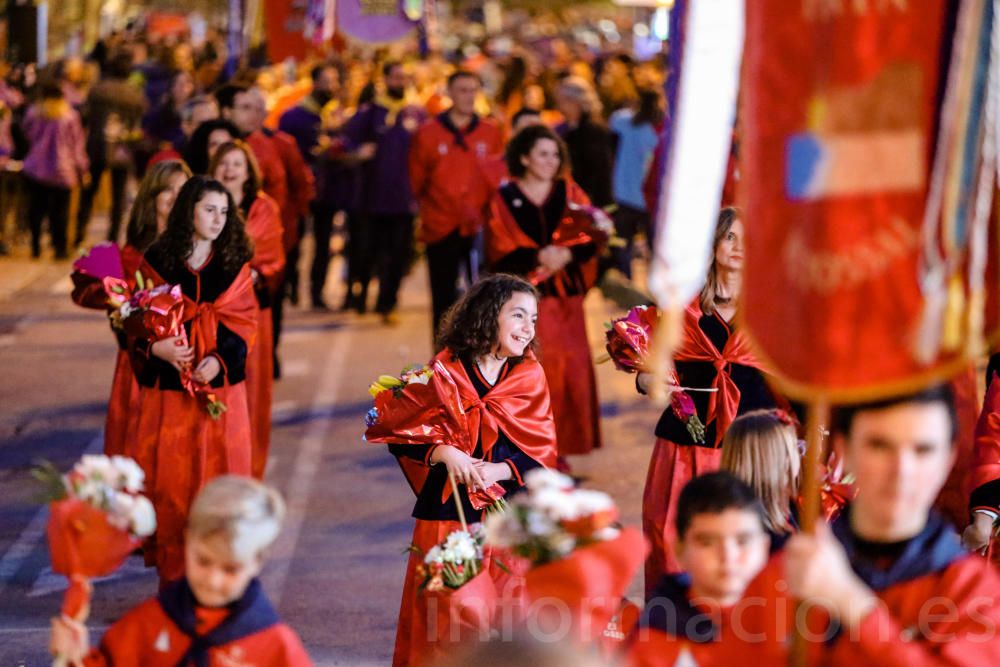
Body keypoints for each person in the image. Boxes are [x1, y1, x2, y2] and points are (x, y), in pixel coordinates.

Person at [731, 385, 1000, 664]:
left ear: (949, 458)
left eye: (923, 450)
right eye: (880, 445)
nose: (901, 471)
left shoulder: (974, 591)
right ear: (844, 448)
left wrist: (852, 604)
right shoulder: (786, 577)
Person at [376, 274, 557, 667]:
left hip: (507, 519)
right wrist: (444, 453)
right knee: (447, 617)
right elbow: (399, 432)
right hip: (448, 517)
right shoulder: (444, 371)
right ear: (490, 315)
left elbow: (542, 451)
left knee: (507, 615)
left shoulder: (530, 376)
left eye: (534, 320)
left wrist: (499, 472)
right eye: (519, 316)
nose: (528, 329)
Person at [637, 207, 779, 591]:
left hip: (749, 446)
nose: (738, 247)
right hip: (686, 445)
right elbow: (648, 365)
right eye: (730, 236)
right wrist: (649, 377)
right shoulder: (681, 306)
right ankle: (672, 629)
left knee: (746, 546)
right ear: (712, 243)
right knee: (670, 538)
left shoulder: (770, 308)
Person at [128, 176, 257, 583]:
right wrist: (157, 349)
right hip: (169, 396)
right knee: (172, 485)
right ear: (189, 210)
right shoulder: (157, 260)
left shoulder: (234, 263)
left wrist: (220, 361)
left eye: (224, 211)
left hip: (220, 395)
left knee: (221, 482)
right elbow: (132, 321)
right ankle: (174, 579)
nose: (218, 219)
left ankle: (220, 578)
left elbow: (244, 325)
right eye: (208, 210)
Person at [49, 475, 313, 666]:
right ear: (187, 543)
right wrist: (75, 657)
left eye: (230, 569)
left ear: (258, 562)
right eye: (203, 561)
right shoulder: (149, 623)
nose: (213, 580)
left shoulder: (275, 645)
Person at [485, 124, 603, 463]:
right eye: (542, 154)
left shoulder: (570, 193)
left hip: (566, 301)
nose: (551, 161)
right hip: (525, 303)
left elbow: (595, 233)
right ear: (524, 158)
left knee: (570, 374)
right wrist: (538, 256)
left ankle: (560, 449)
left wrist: (568, 253)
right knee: (532, 373)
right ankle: (526, 450)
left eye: (555, 154)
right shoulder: (505, 197)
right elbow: (498, 247)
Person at [71, 159, 191, 458]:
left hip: (187, 359)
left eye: (183, 190)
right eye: (167, 190)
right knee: (139, 450)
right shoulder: (132, 254)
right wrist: (151, 345)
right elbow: (120, 318)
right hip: (141, 367)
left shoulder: (199, 247)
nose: (175, 197)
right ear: (151, 197)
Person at [629, 472, 771, 667]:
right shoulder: (652, 644)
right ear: (679, 550)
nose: (728, 557)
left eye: (742, 541)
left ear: (764, 548)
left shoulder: (789, 624)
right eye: (707, 542)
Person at [409, 70, 504, 335]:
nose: (468, 96)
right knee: (443, 296)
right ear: (449, 93)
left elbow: (498, 178)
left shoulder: (490, 131)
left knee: (483, 298)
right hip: (440, 225)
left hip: (479, 227)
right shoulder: (428, 133)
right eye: (462, 90)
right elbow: (417, 180)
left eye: (473, 90)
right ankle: (442, 359)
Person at [211, 141, 284, 480]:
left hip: (251, 309)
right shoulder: (206, 204)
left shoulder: (262, 208)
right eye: (223, 163)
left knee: (251, 390)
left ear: (248, 170)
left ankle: (248, 468)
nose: (229, 170)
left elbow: (271, 256)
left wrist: (247, 272)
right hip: (208, 309)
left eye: (236, 164)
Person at [341, 61, 426, 323]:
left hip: (404, 199)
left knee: (398, 255)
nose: (400, 82)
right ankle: (361, 294)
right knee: (366, 251)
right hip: (371, 199)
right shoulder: (369, 113)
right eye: (396, 77)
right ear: (385, 79)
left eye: (404, 77)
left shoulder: (416, 113)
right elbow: (345, 143)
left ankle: (388, 303)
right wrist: (357, 152)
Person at [279, 63, 358, 312]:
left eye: (334, 81)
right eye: (326, 81)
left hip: (329, 190)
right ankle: (288, 285)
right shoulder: (295, 116)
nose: (330, 87)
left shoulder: (339, 115)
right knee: (294, 241)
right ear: (313, 83)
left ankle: (316, 292)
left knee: (324, 243)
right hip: (300, 190)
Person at [76, 49, 147, 246]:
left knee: (89, 192)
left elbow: (85, 116)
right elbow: (141, 119)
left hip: (97, 145)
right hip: (123, 148)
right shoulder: (134, 94)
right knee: (118, 197)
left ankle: (79, 232)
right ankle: (113, 237)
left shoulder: (98, 89)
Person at [21, 78, 89, 259]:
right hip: (63, 170)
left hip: (35, 168)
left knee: (36, 209)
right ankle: (60, 249)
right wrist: (83, 169)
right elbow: (77, 146)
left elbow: (26, 135)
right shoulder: (69, 116)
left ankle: (35, 247)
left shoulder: (34, 113)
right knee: (61, 212)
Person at [721, 409, 801, 552]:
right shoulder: (766, 540)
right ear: (780, 462)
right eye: (796, 448)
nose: (800, 456)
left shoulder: (787, 511)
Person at [609, 88, 663, 278]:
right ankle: (657, 285)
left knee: (623, 243)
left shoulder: (623, 121)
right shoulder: (659, 130)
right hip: (651, 196)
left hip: (624, 193)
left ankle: (627, 283)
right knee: (655, 245)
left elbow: (613, 123)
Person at [216, 83, 288, 212]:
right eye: (245, 108)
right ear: (227, 112)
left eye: (254, 108)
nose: (252, 114)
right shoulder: (212, 140)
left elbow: (277, 186)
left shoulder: (263, 144)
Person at [554, 76, 614, 209]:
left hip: (589, 203)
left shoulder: (595, 131)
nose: (559, 107)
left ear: (577, 102)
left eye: (563, 101)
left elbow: (599, 173)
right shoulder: (564, 129)